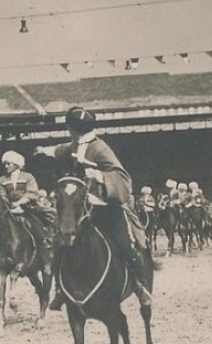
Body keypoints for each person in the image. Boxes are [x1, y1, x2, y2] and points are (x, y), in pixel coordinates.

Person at [35, 106, 152, 307]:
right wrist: (44, 151)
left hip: (105, 207)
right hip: (81, 209)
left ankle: (141, 286)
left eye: (69, 127)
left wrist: (98, 175)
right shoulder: (74, 144)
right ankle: (60, 289)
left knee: (129, 243)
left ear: (73, 128)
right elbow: (61, 149)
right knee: (60, 241)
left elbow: (123, 179)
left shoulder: (100, 148)